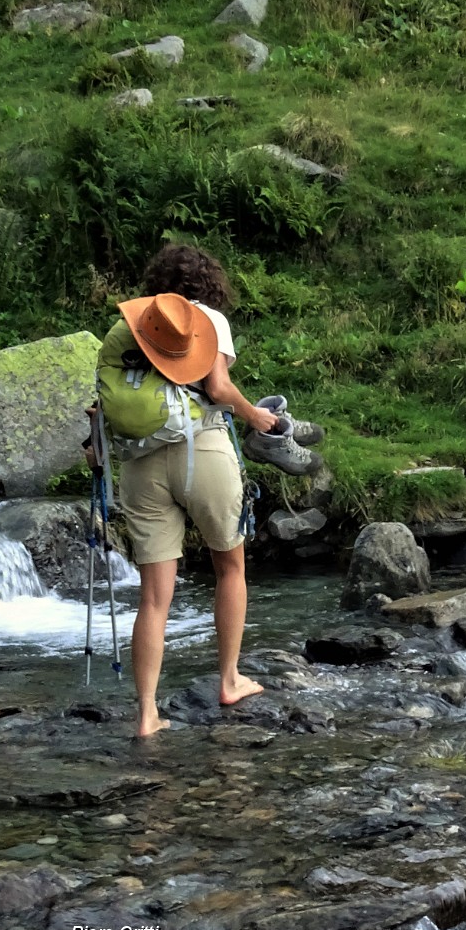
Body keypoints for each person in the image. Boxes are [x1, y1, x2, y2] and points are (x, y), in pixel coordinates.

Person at [97, 243, 290, 737]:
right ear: (207, 283)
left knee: (154, 596)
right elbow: (219, 388)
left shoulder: (131, 325)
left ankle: (146, 714)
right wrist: (256, 416)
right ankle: (229, 679)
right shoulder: (207, 319)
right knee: (230, 564)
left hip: (140, 465)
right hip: (201, 450)